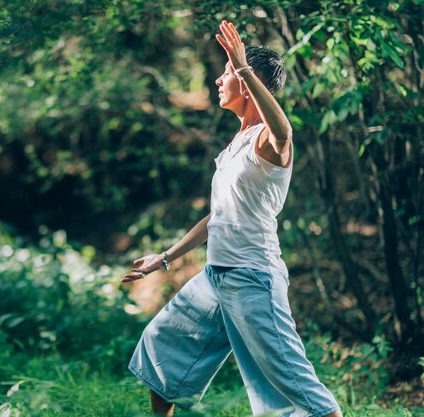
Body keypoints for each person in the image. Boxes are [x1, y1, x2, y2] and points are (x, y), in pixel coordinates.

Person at [122, 20, 342, 417]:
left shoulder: (267, 141)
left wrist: (241, 65)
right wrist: (166, 257)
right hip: (216, 276)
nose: (219, 79)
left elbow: (285, 132)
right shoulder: (238, 142)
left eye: (227, 73)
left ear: (247, 79)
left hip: (253, 278)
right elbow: (219, 216)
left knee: (295, 388)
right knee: (163, 349)